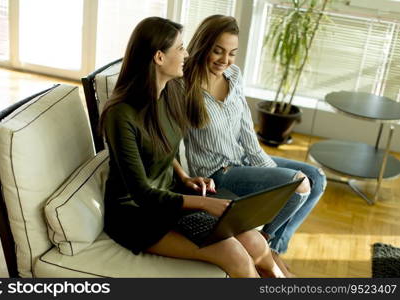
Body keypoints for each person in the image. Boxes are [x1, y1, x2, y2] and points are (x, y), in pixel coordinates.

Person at [99, 16, 285, 278]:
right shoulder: (121, 115)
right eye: (180, 48)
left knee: (256, 243)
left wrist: (185, 177)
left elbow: (167, 148)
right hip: (137, 216)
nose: (187, 54)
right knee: (236, 257)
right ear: (159, 57)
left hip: (172, 196)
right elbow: (141, 193)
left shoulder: (171, 91)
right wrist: (203, 204)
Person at [183, 15, 327, 277]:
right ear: (203, 45)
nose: (224, 60)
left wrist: (268, 170)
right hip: (218, 173)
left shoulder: (233, 75)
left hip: (244, 160)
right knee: (300, 183)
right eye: (217, 50)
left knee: (316, 178)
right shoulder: (184, 87)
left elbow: (247, 130)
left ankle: (272, 247)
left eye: (232, 53)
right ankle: (265, 248)